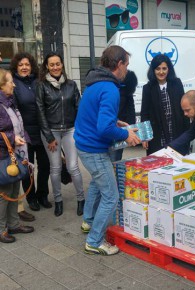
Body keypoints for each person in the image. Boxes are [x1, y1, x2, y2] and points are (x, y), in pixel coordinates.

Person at [74, 45, 141, 255]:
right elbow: (103, 128)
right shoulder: (111, 89)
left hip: (84, 146)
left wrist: (117, 123)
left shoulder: (95, 82)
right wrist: (126, 135)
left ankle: (88, 221)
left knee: (97, 182)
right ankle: (94, 241)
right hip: (93, 150)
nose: (127, 71)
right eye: (127, 65)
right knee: (111, 195)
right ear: (119, 64)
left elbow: (97, 117)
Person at [36, 52, 85, 217]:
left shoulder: (71, 85)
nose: (55, 67)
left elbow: (79, 108)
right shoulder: (41, 85)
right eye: (52, 64)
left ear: (62, 65)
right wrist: (48, 136)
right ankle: (58, 201)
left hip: (70, 129)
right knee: (55, 167)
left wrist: (80, 129)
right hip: (51, 132)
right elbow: (40, 112)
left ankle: (81, 200)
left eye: (58, 64)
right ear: (47, 67)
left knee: (73, 167)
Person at [10, 52, 51, 213]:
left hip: (42, 131)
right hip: (24, 133)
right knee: (27, 168)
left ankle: (43, 195)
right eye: (21, 65)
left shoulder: (38, 81)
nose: (24, 67)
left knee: (45, 165)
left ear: (31, 66)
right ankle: (31, 197)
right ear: (16, 67)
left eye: (27, 64)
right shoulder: (13, 84)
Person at [0, 68, 34, 243]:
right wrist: (14, 138)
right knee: (4, 194)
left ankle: (13, 224)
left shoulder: (9, 101)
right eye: (9, 81)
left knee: (13, 190)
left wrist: (24, 140)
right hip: (2, 156)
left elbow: (18, 126)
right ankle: (1, 229)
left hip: (12, 154)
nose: (13, 84)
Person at [141, 54, 189, 155]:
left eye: (164, 68)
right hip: (157, 134)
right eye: (158, 69)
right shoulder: (148, 88)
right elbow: (144, 114)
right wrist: (144, 136)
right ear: (153, 70)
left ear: (169, 69)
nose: (161, 72)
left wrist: (187, 134)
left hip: (177, 131)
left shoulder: (177, 83)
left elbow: (184, 109)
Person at [109, 69, 137, 162]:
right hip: (114, 127)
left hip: (119, 127)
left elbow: (130, 109)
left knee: (115, 157)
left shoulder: (123, 91)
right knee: (114, 158)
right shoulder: (115, 90)